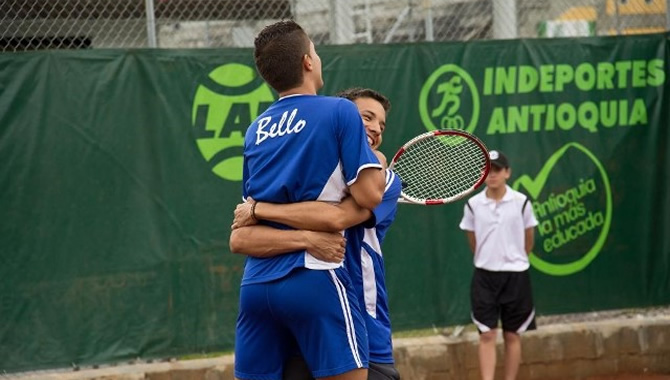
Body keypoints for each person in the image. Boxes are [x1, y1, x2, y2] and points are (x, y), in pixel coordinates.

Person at [231, 21, 385, 380]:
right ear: (307, 62)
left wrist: (268, 213)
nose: (318, 56)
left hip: (255, 287)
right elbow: (370, 195)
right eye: (315, 50)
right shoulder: (339, 111)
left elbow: (244, 229)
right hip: (316, 277)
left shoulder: (256, 130)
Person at [458, 150, 539, 380]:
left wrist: (515, 259)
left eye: (497, 170)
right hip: (485, 277)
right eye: (488, 170)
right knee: (487, 334)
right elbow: (472, 240)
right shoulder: (473, 205)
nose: (492, 175)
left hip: (516, 277)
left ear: (507, 173)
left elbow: (528, 239)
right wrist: (488, 258)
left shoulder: (522, 202)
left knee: (513, 335)